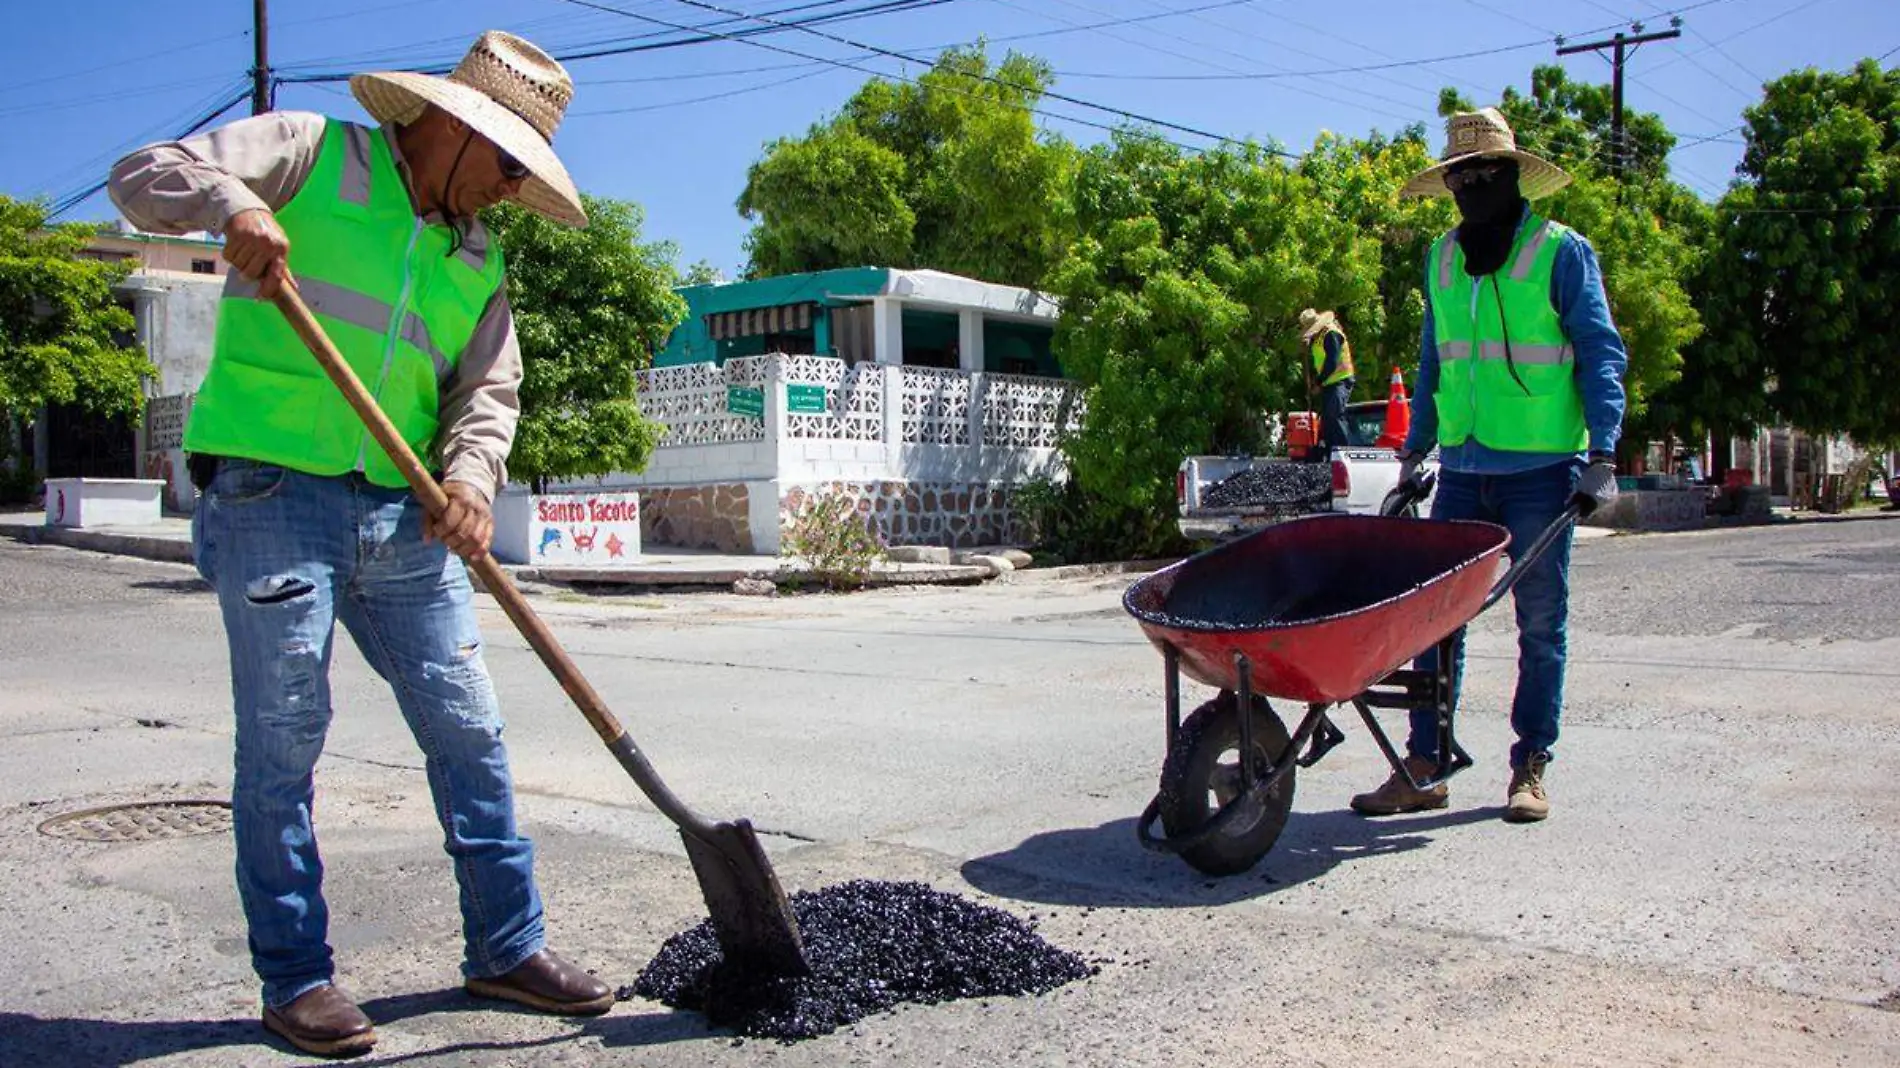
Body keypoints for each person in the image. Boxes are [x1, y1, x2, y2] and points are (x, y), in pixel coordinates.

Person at [109, 31, 610, 1057]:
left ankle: (507, 946)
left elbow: (486, 392)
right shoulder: (309, 151)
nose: (512, 190)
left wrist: (469, 481)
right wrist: (233, 206)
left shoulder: (478, 254)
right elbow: (144, 175)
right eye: (509, 163)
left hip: (403, 514)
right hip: (271, 491)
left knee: (469, 727)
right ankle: (296, 978)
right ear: (455, 128)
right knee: (286, 738)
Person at [1348, 107, 1623, 825]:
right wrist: (1417, 452)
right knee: (1435, 621)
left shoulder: (1560, 252)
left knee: (1539, 622)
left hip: (1541, 470)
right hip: (1465, 469)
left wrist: (1604, 454)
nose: (1472, 186)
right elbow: (1438, 362)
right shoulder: (1442, 258)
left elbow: (1599, 350)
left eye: (1484, 174)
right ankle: (1426, 765)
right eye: (1460, 177)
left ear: (1511, 176)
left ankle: (1530, 764)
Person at [1297, 308, 1355, 457]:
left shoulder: (1331, 334)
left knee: (1335, 415)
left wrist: (1318, 382)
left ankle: (1343, 454)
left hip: (1340, 379)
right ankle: (1330, 454)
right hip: (1329, 382)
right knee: (1327, 419)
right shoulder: (1318, 338)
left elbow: (1332, 361)